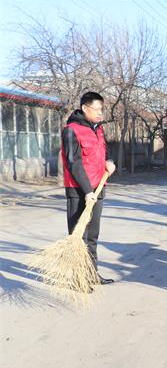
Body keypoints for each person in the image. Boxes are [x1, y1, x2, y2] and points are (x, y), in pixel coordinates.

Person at [61, 91, 116, 285]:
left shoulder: (98, 129)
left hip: (98, 187)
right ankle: (78, 279)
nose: (101, 113)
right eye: (97, 109)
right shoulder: (71, 130)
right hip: (79, 191)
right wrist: (87, 191)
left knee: (92, 236)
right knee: (78, 238)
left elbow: (104, 152)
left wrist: (109, 161)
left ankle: (92, 274)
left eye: (102, 109)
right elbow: (73, 162)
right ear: (85, 108)